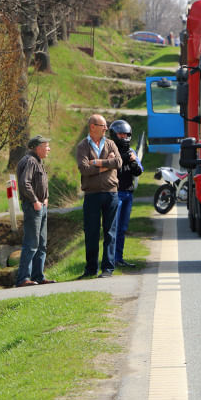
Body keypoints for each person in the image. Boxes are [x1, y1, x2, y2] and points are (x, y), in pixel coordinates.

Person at [76, 114, 122, 279]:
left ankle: (107, 269)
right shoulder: (82, 146)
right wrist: (106, 164)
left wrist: (97, 162)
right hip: (92, 195)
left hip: (111, 193)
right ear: (92, 127)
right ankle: (91, 269)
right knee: (91, 233)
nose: (106, 128)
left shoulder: (110, 143)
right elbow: (84, 169)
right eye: (103, 125)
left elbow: (118, 162)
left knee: (110, 232)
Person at [15, 135, 55, 287]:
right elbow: (25, 183)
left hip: (41, 206)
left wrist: (46, 198)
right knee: (31, 243)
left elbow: (42, 182)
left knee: (42, 243)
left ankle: (38, 276)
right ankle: (23, 279)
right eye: (46, 146)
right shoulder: (30, 161)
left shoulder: (38, 161)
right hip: (34, 207)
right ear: (38, 148)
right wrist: (35, 201)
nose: (49, 149)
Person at [109, 120, 143, 268]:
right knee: (113, 228)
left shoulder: (132, 152)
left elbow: (139, 170)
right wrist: (122, 159)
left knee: (122, 228)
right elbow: (108, 166)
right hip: (115, 193)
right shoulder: (109, 151)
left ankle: (119, 258)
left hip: (128, 194)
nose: (123, 137)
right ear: (114, 135)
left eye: (126, 134)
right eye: (120, 134)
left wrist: (134, 162)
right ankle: (110, 259)